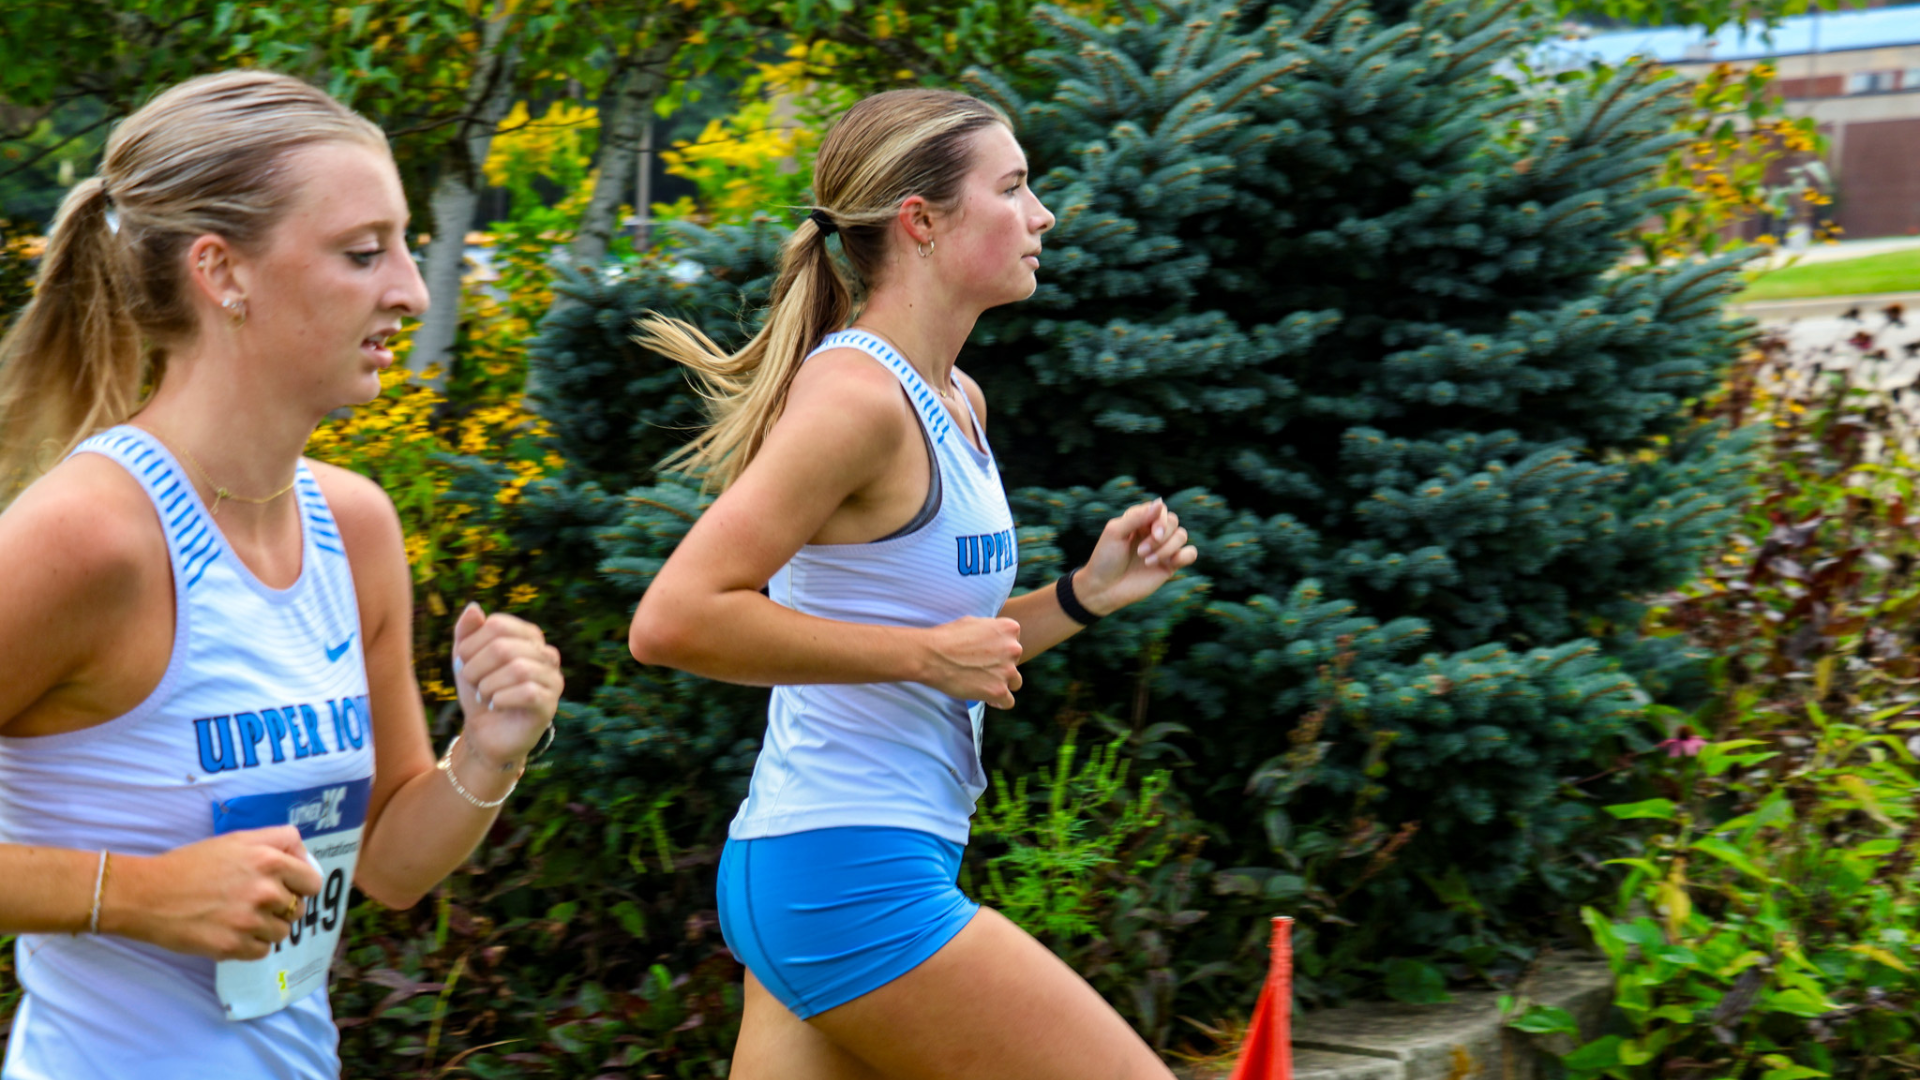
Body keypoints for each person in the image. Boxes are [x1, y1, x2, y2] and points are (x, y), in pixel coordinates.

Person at [0, 70, 564, 1079]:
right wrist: (132, 894)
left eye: (402, 244)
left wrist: (488, 754)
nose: (412, 289)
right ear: (224, 273)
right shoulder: (90, 536)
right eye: (363, 252)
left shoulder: (353, 525)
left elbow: (387, 864)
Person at [627, 88, 1199, 1080]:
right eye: (1014, 188)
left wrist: (1083, 596)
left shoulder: (954, 399)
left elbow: (948, 637)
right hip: (842, 875)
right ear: (921, 222)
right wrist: (921, 655)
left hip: (852, 860)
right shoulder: (857, 397)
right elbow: (675, 619)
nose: (1042, 214)